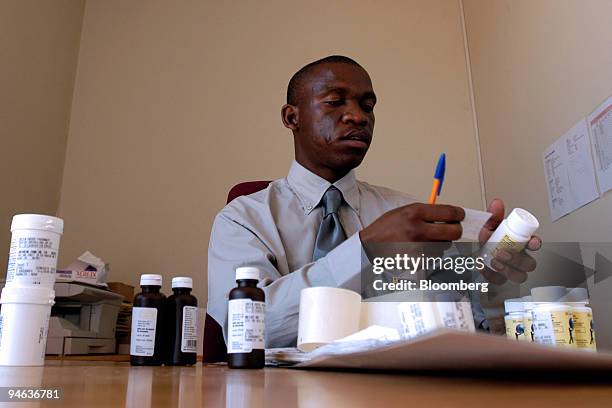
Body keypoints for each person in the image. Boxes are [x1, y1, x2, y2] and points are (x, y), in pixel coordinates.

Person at [207, 55, 541, 348]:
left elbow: (465, 327)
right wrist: (366, 250)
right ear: (292, 118)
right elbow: (249, 329)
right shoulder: (241, 218)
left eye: (368, 106)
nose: (358, 116)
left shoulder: (412, 219)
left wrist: (492, 283)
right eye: (335, 102)